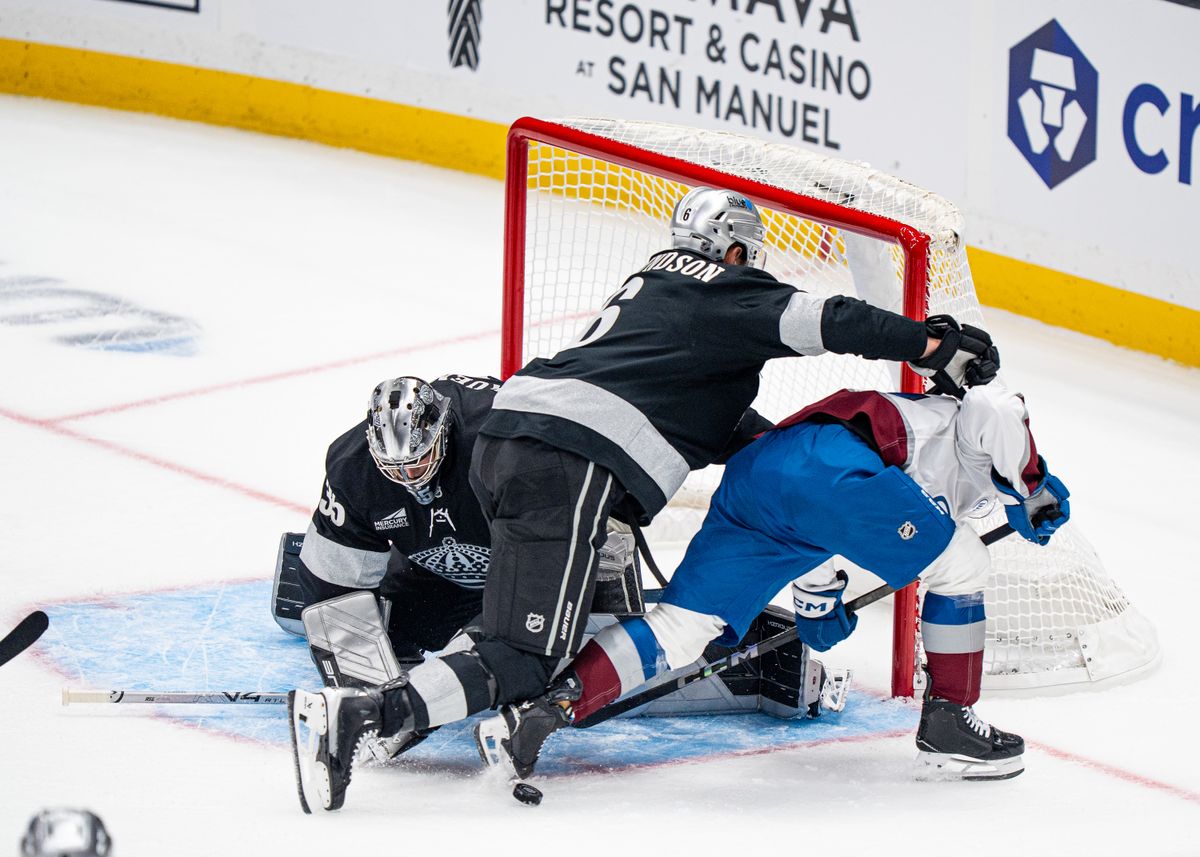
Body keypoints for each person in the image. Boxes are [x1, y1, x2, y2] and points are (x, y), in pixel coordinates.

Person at [287, 187, 1001, 812]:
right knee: (522, 655)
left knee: (523, 638)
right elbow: (832, 317)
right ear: (736, 250)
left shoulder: (654, 300)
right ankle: (363, 717)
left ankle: (402, 706)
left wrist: (798, 500)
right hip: (565, 463)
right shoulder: (724, 290)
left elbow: (727, 430)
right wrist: (932, 344)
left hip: (509, 441)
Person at [475, 380, 1070, 784]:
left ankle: (542, 709)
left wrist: (817, 600)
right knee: (965, 566)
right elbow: (995, 403)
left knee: (685, 630)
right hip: (829, 466)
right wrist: (1034, 485)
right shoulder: (976, 437)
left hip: (762, 478)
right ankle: (948, 719)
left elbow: (818, 529)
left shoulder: (940, 492)